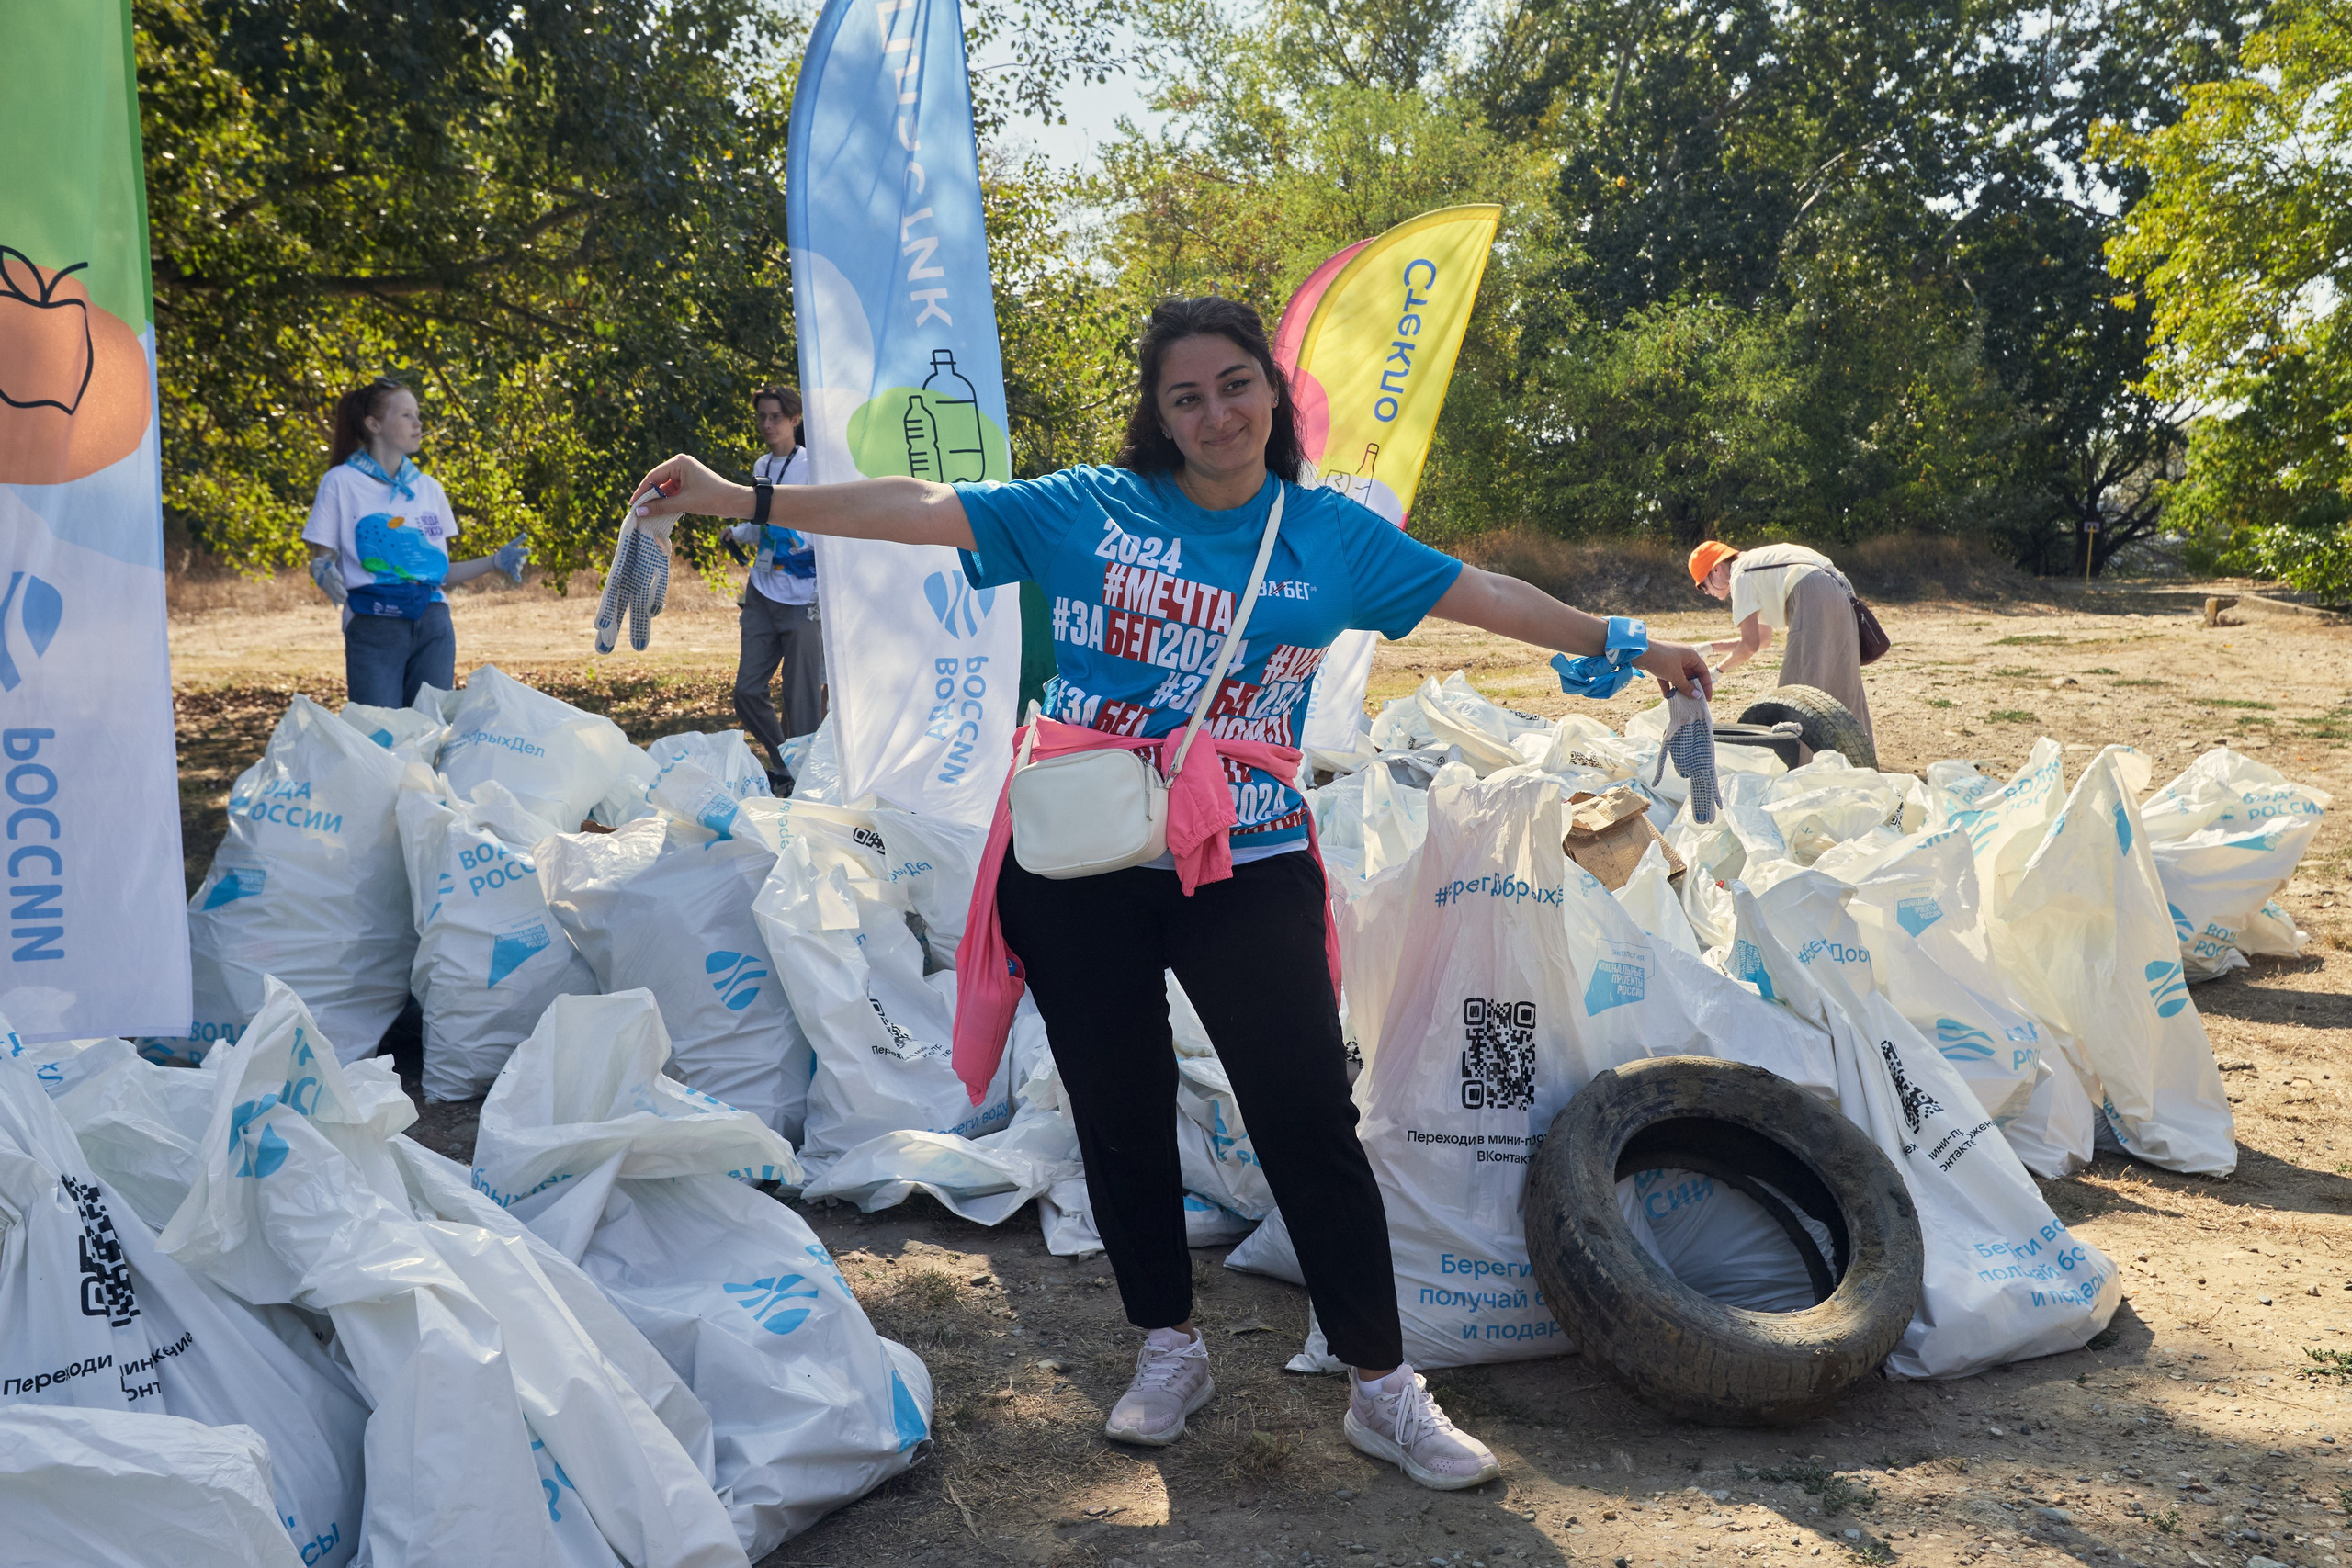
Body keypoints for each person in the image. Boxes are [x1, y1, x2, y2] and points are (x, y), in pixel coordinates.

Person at [630, 297, 1712, 1493]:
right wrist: (745, 497)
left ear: (1275, 394)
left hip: (1248, 862)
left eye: (1236, 384)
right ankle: (1167, 1343)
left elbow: (1486, 593)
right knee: (1120, 1104)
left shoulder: (1326, 537)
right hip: (1084, 860)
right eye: (1185, 394)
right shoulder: (1088, 506)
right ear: (1157, 412)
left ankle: (1383, 1383)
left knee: (1305, 1110)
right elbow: (923, 509)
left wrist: (1626, 637)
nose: (1215, 414)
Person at [305, 378, 526, 707]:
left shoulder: (429, 488)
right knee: (380, 735)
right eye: (406, 415)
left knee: (430, 735)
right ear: (373, 424)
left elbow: (438, 572)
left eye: (418, 414)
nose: (418, 423)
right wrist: (321, 568)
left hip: (434, 622)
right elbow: (321, 555)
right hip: (374, 622)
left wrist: (495, 561)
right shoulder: (341, 482)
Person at [723, 386, 824, 793]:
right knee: (747, 690)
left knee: (801, 704)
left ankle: (808, 782)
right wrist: (738, 532)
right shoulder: (762, 464)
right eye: (762, 417)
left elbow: (828, 527)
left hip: (805, 598)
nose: (767, 425)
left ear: (795, 420)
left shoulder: (815, 466)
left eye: (775, 417)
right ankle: (784, 763)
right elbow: (763, 521)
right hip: (763, 592)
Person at [1690, 539, 1875, 743]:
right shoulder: (1754, 565)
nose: (1708, 593)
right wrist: (1709, 648)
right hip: (1841, 590)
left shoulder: (1740, 575)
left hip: (1812, 589)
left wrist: (1715, 673)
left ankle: (1796, 767)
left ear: (1716, 569)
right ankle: (1858, 762)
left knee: (1796, 695)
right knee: (1844, 686)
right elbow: (1762, 639)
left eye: (1703, 586)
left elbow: (1749, 645)